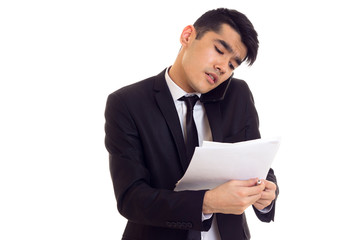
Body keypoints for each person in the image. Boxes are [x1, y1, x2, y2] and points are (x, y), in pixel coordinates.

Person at [104, 8, 279, 240]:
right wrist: (206, 203)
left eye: (233, 65)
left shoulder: (237, 94)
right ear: (187, 36)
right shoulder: (128, 103)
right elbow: (131, 199)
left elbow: (255, 161)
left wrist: (267, 194)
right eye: (219, 50)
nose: (223, 67)